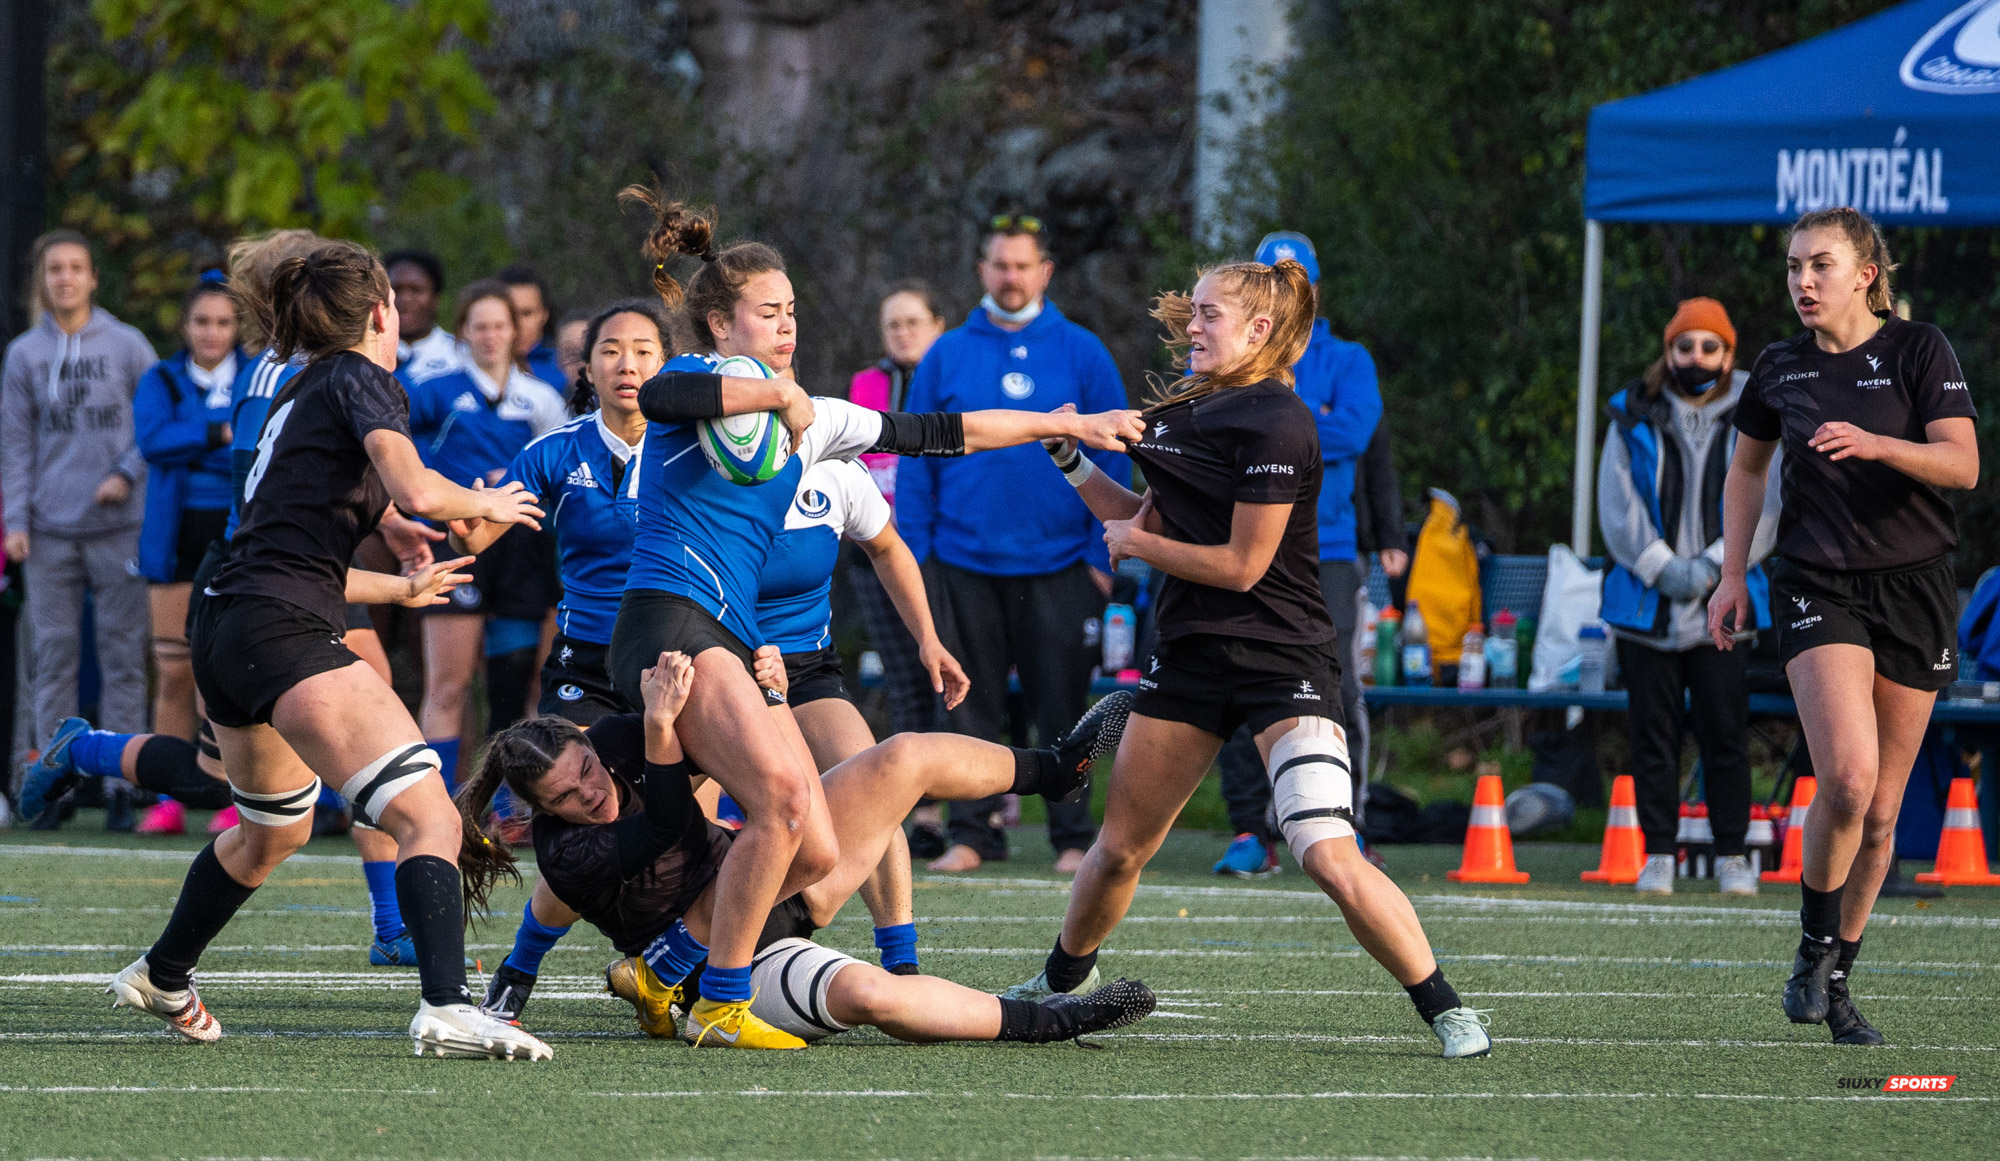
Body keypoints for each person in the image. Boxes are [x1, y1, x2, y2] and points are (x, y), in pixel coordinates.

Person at [605, 187, 1144, 1048]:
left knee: (816, 844)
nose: (786, 325)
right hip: (668, 621)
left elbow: (943, 429)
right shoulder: (696, 380)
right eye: (767, 312)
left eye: (792, 310)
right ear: (719, 323)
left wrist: (1060, 420)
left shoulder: (816, 418)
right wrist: (772, 399)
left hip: (734, 641)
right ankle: (719, 1002)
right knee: (782, 804)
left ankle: (664, 964)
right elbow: (666, 395)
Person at [1003, 257, 1494, 1059]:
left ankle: (1447, 1007)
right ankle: (1058, 982)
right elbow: (1139, 516)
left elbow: (1241, 566)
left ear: (1260, 329)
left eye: (1209, 314)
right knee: (1121, 845)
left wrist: (1137, 545)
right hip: (1190, 654)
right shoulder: (1184, 408)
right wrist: (1068, 456)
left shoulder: (1280, 422)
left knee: (1326, 851)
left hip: (1281, 656)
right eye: (1193, 310)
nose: (1191, 326)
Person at [105, 239, 550, 1059]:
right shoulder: (359, 376)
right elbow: (417, 488)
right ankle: (448, 1005)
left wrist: (403, 585)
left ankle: (164, 971)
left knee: (272, 831)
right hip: (281, 629)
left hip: (229, 624)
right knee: (426, 812)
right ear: (381, 311)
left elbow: (299, 549)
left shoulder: (298, 389)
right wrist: (486, 500)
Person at [456, 650, 1149, 1046]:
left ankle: (1056, 769)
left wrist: (760, 701)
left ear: (585, 743)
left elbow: (747, 763)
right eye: (567, 796)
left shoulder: (610, 742)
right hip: (722, 957)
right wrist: (667, 727)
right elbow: (662, 825)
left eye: (587, 769)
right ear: (541, 812)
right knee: (869, 992)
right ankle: (1050, 1020)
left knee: (901, 756)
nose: (591, 791)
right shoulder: (564, 853)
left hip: (777, 884)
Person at [1710, 208, 1978, 1047]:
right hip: (1816, 583)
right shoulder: (1779, 367)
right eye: (1793, 266)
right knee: (1850, 779)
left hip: (1916, 590)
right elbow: (1746, 468)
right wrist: (1731, 573)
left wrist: (1878, 444)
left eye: (1819, 264)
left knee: (1884, 815)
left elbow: (1963, 464)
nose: (1802, 281)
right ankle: (1811, 947)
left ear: (1866, 274)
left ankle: (1837, 980)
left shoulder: (1918, 349)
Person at [897, 215, 1133, 874]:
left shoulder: (1083, 350)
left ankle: (1072, 838)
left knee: (1064, 708)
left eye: (1023, 265)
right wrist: (918, 557)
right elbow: (914, 457)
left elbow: (1117, 453)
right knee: (966, 707)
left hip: (1061, 565)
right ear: (982, 270)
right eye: (1000, 265)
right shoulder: (946, 353)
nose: (1011, 277)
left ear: (1045, 271)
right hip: (961, 562)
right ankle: (972, 835)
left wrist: (1101, 559)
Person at [1210, 232, 1382, 880]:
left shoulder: (1349, 359)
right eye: (1269, 276)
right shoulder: (1232, 349)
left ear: (1313, 288)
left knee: (1335, 685)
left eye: (1293, 278)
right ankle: (1250, 830)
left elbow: (1353, 431)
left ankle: (1345, 828)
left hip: (1325, 550)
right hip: (1242, 543)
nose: (1282, 289)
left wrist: (1273, 420)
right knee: (1238, 681)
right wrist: (1309, 417)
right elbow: (1220, 436)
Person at [1600, 297, 1781, 897]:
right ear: (1668, 351)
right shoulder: (1631, 411)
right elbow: (1616, 504)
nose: (1695, 357)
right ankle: (1657, 854)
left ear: (1729, 354)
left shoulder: (1760, 409)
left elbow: (1772, 502)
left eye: (1709, 347)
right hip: (1645, 603)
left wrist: (1714, 566)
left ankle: (1732, 854)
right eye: (1684, 346)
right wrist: (1662, 568)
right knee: (1652, 738)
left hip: (1724, 602)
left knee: (1724, 734)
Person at [1, 230, 158, 830]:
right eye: (54, 269)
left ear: (93, 278)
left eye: (75, 268)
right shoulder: (24, 354)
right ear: (42, 281)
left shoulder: (128, 345)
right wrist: (15, 521)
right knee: (53, 656)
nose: (65, 278)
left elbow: (156, 423)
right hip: (48, 530)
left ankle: (122, 784)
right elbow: (15, 443)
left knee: (123, 656)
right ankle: (52, 786)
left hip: (119, 526)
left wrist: (125, 473)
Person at [404, 280, 567, 789]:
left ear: (517, 332)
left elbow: (559, 473)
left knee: (517, 688)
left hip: (523, 550)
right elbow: (400, 456)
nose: (491, 336)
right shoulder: (435, 392)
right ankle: (436, 802)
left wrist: (516, 484)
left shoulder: (540, 397)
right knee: (448, 687)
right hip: (454, 541)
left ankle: (508, 806)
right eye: (480, 327)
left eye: (500, 326)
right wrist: (457, 491)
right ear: (463, 332)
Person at [848, 284, 952, 759]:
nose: (903, 332)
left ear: (938, 327)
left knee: (948, 674)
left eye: (913, 322)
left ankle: (974, 792)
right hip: (874, 552)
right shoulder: (863, 384)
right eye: (893, 324)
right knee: (905, 679)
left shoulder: (954, 379)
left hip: (940, 551)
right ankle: (919, 796)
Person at [385, 249, 462, 383]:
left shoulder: (461, 355)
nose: (405, 299)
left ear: (436, 297)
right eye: (395, 289)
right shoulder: (366, 357)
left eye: (416, 290)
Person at [497, 264, 563, 387]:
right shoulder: (474, 369)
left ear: (544, 315)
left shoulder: (564, 367)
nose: (518, 323)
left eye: (526, 313)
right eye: (510, 313)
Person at [553, 308, 593, 389]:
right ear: (558, 360)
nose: (581, 363)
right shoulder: (550, 396)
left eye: (587, 351)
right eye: (571, 353)